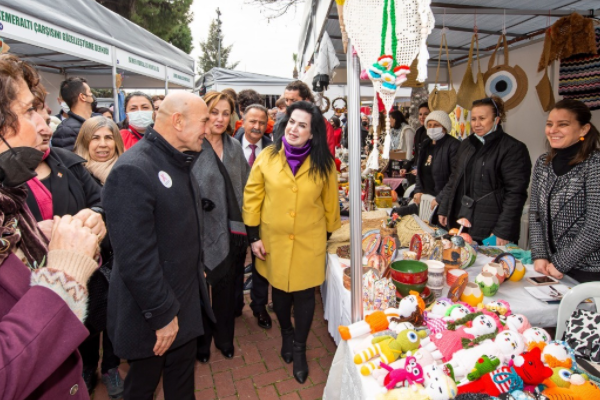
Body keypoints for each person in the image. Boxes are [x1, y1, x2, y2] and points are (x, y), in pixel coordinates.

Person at [0, 53, 101, 399]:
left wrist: (42, 242)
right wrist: (64, 278)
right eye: (29, 111)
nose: (46, 127)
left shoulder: (8, 205)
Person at [103, 92, 214, 400]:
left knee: (181, 384)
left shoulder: (178, 160)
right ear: (178, 121)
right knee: (141, 388)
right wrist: (162, 315)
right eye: (203, 121)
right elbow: (135, 257)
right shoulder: (133, 169)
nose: (208, 128)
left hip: (184, 304)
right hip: (154, 317)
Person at [25, 86, 122, 397]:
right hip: (34, 283)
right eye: (31, 112)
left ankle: (106, 367)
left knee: (99, 319)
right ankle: (82, 369)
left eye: (42, 111)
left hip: (93, 270)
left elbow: (100, 204)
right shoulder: (10, 177)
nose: (43, 122)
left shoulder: (67, 164)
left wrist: (96, 214)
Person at [243, 101, 341, 383]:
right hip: (273, 240)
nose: (294, 129)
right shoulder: (268, 157)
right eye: (292, 122)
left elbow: (330, 205)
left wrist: (323, 238)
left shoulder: (324, 164)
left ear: (313, 133)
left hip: (309, 242)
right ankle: (286, 333)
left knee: (305, 296)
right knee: (281, 295)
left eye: (303, 125)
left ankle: (299, 349)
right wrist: (253, 238)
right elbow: (252, 197)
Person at [192, 92, 249, 363]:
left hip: (232, 231)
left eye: (225, 113)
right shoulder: (191, 145)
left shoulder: (235, 147)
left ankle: (225, 339)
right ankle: (201, 342)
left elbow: (245, 187)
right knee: (200, 289)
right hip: (196, 231)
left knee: (227, 289)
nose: (220, 118)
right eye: (214, 112)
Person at [437, 96, 531, 245]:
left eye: (482, 118)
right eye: (473, 119)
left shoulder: (513, 148)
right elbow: (454, 179)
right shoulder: (467, 144)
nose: (477, 124)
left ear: (496, 120)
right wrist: (443, 208)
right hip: (461, 220)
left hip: (491, 227)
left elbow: (515, 193)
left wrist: (503, 230)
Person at [530, 100, 600, 284]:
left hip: (589, 272)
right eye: (549, 124)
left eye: (563, 124)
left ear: (584, 129)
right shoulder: (543, 163)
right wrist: (539, 254)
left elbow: (595, 227)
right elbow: (535, 213)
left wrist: (561, 263)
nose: (553, 130)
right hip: (550, 267)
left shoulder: (594, 165)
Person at [234, 104, 273, 330]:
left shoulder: (273, 148)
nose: (257, 126)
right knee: (236, 263)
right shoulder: (230, 145)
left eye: (261, 122)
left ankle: (259, 308)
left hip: (263, 218)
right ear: (243, 120)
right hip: (236, 217)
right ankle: (236, 304)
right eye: (252, 121)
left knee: (261, 263)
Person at [391, 111, 459, 217]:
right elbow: (420, 172)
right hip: (425, 199)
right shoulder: (425, 144)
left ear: (444, 127)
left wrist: (440, 198)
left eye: (436, 125)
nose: (432, 128)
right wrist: (418, 190)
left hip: (442, 202)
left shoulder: (453, 145)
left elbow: (455, 177)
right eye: (429, 125)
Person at [278, 80, 336, 155]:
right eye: (286, 100)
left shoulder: (324, 125)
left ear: (307, 100)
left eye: (293, 100)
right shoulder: (282, 122)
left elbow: (329, 156)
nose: (289, 104)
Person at [74, 116, 125, 185]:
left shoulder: (129, 170)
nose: (103, 144)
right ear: (84, 143)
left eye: (108, 138)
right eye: (95, 138)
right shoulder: (75, 175)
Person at [53, 77, 96, 150]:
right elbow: (67, 159)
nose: (92, 95)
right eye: (89, 92)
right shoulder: (65, 130)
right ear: (83, 97)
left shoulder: (96, 121)